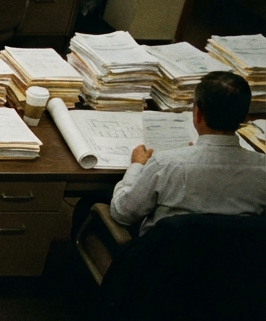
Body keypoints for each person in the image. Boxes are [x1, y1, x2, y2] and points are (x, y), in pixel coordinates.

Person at [110, 71, 266, 234]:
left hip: (164, 257)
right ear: (245, 117)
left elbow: (123, 213)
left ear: (198, 114)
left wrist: (136, 166)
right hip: (233, 258)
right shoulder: (262, 168)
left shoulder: (165, 164)